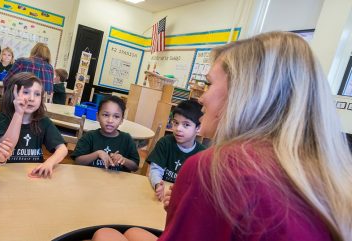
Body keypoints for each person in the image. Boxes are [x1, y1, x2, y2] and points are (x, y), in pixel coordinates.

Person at [92, 31, 352, 241]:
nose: (202, 97)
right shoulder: (326, 173)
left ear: (242, 92)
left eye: (209, 84)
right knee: (133, 232)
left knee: (105, 233)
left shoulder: (215, 168)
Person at [0, 72, 68, 178]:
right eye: (26, 92)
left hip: (32, 175)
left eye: (37, 94)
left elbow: (62, 149)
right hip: (5, 175)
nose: (32, 98)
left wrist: (49, 163)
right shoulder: (2, 119)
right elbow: (7, 147)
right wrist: (18, 113)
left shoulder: (43, 122)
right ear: (13, 93)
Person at [147, 99, 205, 201]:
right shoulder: (165, 143)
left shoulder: (203, 154)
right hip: (162, 195)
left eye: (186, 125)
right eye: (175, 123)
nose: (178, 128)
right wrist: (157, 183)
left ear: (198, 128)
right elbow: (155, 169)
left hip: (182, 199)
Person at [71, 96, 139, 172]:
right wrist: (97, 154)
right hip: (91, 179)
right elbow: (77, 161)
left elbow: (135, 167)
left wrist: (123, 160)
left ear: (121, 120)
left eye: (116, 116)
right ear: (97, 116)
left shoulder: (127, 139)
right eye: (106, 115)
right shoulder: (89, 136)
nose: (110, 120)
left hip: (117, 182)